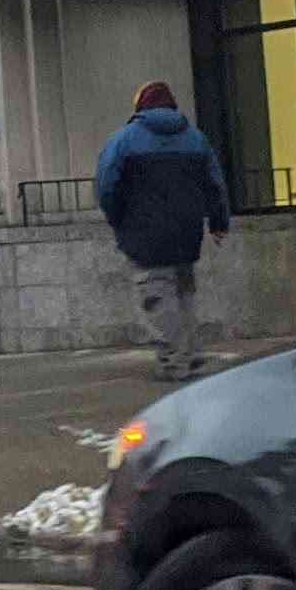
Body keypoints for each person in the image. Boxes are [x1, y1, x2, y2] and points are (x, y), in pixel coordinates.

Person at [95, 80, 231, 381]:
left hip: (144, 233)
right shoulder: (196, 139)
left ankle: (174, 360)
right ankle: (191, 354)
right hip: (187, 232)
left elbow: (106, 186)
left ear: (140, 106)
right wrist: (219, 222)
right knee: (184, 293)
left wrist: (118, 218)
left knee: (156, 295)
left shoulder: (124, 140)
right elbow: (215, 184)